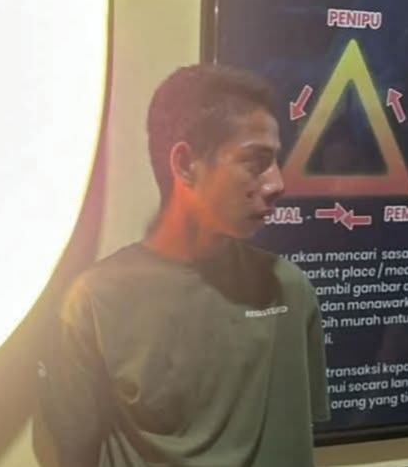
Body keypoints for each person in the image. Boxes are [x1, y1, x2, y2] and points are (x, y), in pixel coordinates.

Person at [37, 64, 330, 467]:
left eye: (275, 160)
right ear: (186, 164)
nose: (277, 183)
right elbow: (73, 452)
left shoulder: (290, 290)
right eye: (255, 161)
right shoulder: (94, 302)